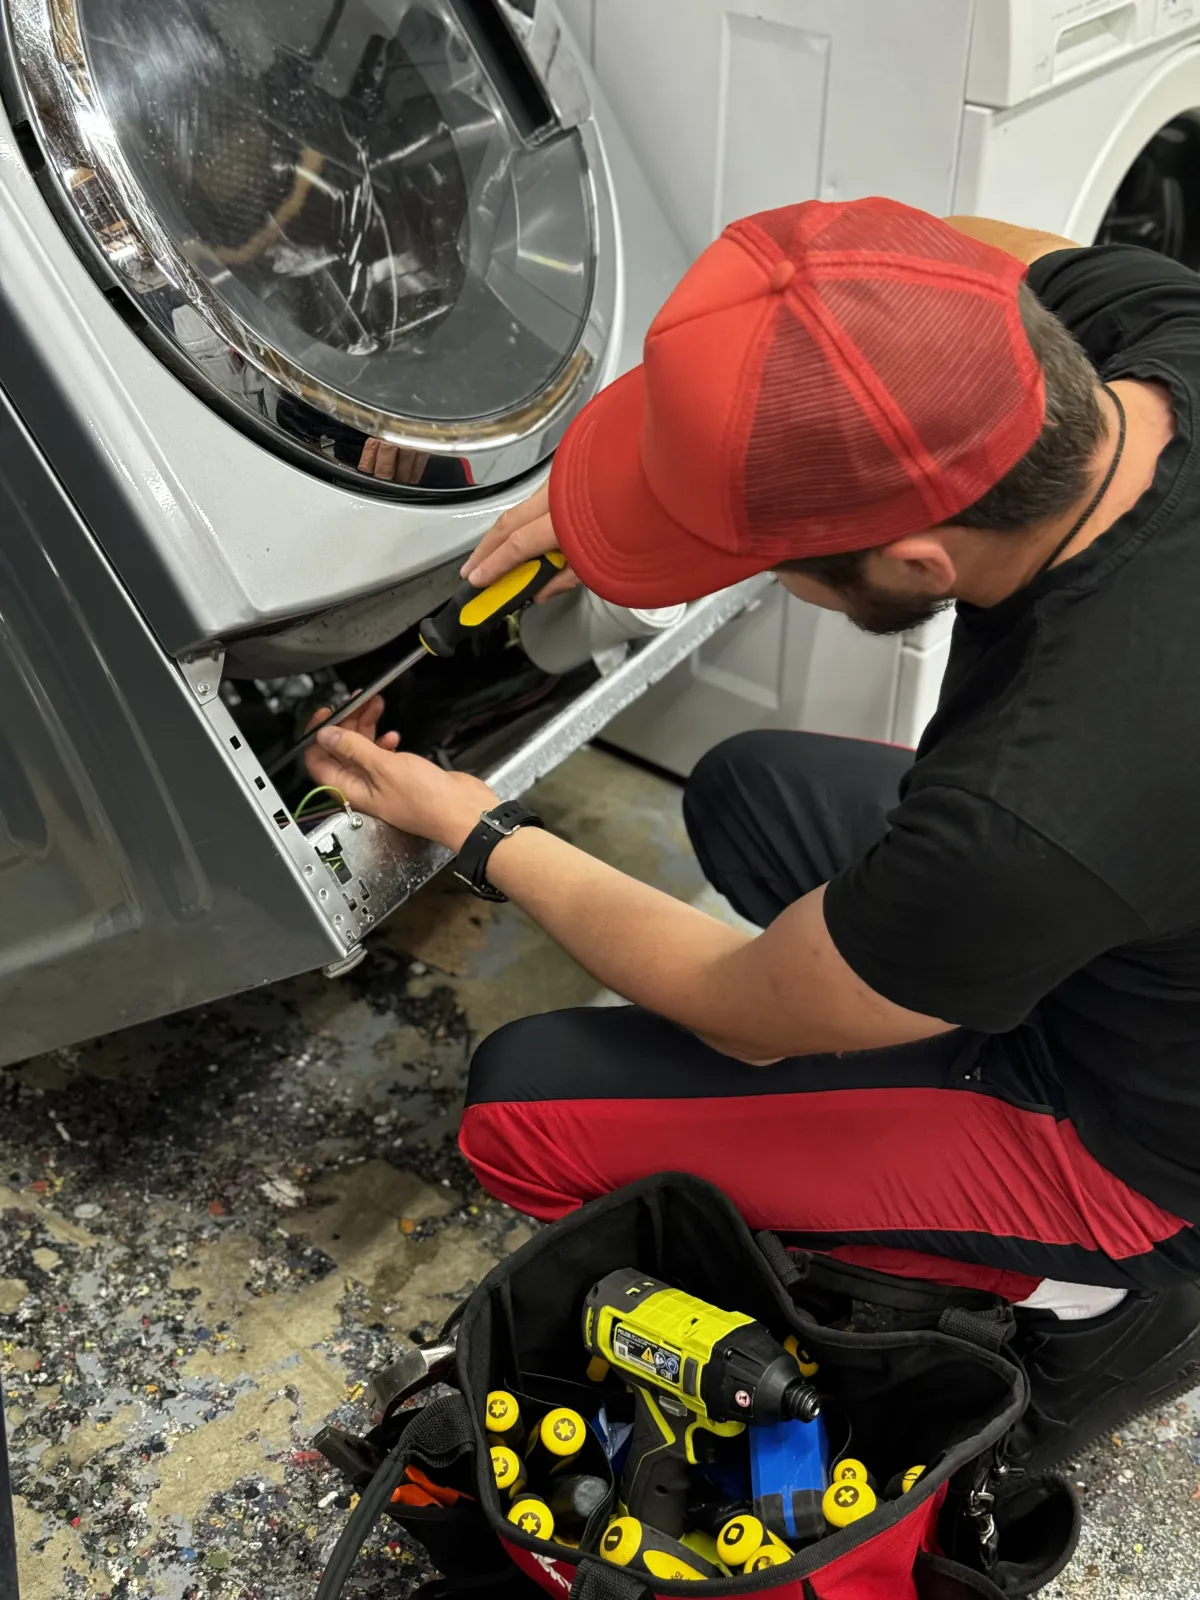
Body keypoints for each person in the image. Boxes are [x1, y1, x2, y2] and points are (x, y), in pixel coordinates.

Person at [305, 198, 1200, 1465]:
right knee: (750, 789)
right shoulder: (1159, 336)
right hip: (1132, 915)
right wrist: (685, 484)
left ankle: (1081, 1297)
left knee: (520, 1111)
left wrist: (478, 827)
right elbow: (938, 255)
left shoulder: (1024, 808)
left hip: (1141, 1136)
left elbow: (742, 1008)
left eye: (769, 556)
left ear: (918, 563)